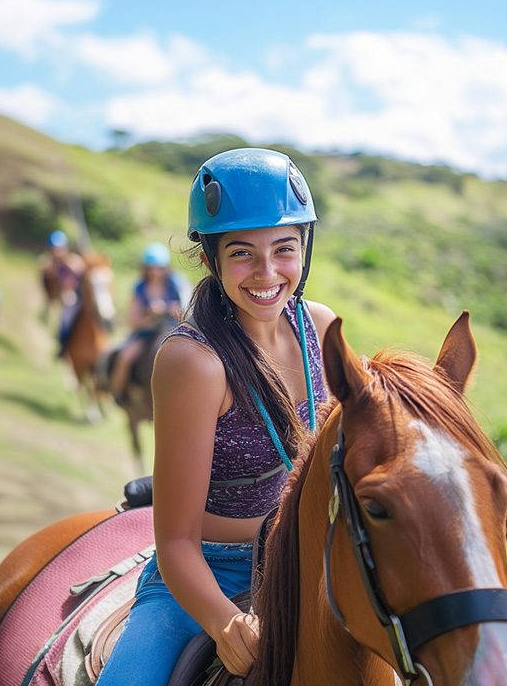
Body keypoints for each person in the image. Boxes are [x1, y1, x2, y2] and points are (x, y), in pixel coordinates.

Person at [95, 148, 336, 685]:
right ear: (210, 258)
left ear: (305, 250)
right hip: (207, 571)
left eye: (284, 249)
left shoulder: (319, 327)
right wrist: (224, 622)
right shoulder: (194, 362)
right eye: (243, 253)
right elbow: (175, 541)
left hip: (308, 560)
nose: (268, 273)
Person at [107, 241, 187, 403]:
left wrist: (173, 310)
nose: (155, 272)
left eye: (159, 267)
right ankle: (118, 394)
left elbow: (187, 311)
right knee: (125, 356)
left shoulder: (176, 283)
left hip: (173, 331)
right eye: (151, 267)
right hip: (145, 333)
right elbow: (133, 319)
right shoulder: (140, 287)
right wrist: (149, 315)